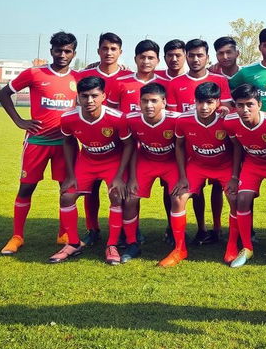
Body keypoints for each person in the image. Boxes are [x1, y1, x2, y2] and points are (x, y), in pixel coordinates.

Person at [0, 31, 78, 255]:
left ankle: (63, 233)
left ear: (74, 53)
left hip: (66, 143)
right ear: (51, 50)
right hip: (37, 141)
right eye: (58, 50)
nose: (62, 54)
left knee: (66, 189)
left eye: (67, 51)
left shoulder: (78, 78)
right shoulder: (34, 74)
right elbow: (4, 94)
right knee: (27, 187)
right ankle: (17, 236)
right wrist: (19, 121)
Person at [49, 76, 132, 264]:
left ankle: (112, 245)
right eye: (84, 96)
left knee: (116, 195)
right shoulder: (69, 118)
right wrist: (70, 175)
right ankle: (73, 243)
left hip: (113, 161)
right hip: (87, 161)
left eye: (94, 96)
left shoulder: (118, 118)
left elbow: (128, 145)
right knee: (67, 196)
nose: (89, 101)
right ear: (78, 96)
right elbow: (69, 142)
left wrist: (120, 176)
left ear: (104, 95)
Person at [161, 82, 238, 267]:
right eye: (200, 102)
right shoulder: (184, 119)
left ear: (218, 102)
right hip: (197, 165)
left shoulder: (227, 119)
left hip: (224, 166)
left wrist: (235, 176)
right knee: (178, 197)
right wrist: (182, 176)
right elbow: (179, 146)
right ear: (194, 101)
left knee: (235, 198)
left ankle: (232, 246)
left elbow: (237, 147)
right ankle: (180, 249)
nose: (204, 107)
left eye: (209, 102)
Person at [166, 39, 232, 245]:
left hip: (218, 145)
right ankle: (201, 228)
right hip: (190, 147)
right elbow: (174, 118)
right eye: (191, 55)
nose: (195, 59)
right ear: (186, 56)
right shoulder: (175, 83)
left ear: (207, 57)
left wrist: (223, 111)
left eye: (200, 55)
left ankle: (218, 228)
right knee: (193, 190)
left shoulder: (219, 80)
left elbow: (227, 109)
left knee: (217, 188)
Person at [223, 83, 266, 269]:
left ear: (259, 104)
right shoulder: (230, 122)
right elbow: (236, 147)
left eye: (249, 104)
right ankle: (247, 248)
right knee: (241, 199)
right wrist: (235, 176)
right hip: (252, 164)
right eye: (240, 105)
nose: (245, 109)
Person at [77, 32, 132, 247]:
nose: (109, 52)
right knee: (90, 190)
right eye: (105, 48)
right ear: (98, 50)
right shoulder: (85, 74)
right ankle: (93, 229)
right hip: (92, 142)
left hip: (120, 143)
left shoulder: (127, 77)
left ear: (120, 52)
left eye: (113, 49)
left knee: (121, 191)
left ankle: (127, 230)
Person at [120, 83, 180, 264]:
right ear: (139, 102)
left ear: (164, 102)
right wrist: (131, 177)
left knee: (177, 198)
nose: (149, 105)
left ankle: (179, 243)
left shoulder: (176, 119)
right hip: (146, 161)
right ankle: (132, 243)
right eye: (144, 101)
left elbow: (182, 149)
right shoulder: (131, 119)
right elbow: (130, 147)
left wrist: (184, 176)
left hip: (172, 163)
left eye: (154, 101)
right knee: (130, 198)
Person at [107, 40, 168, 113]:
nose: (146, 61)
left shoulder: (166, 84)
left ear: (158, 61)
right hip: (127, 124)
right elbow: (111, 110)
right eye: (142, 57)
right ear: (135, 59)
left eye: (150, 58)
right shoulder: (120, 82)